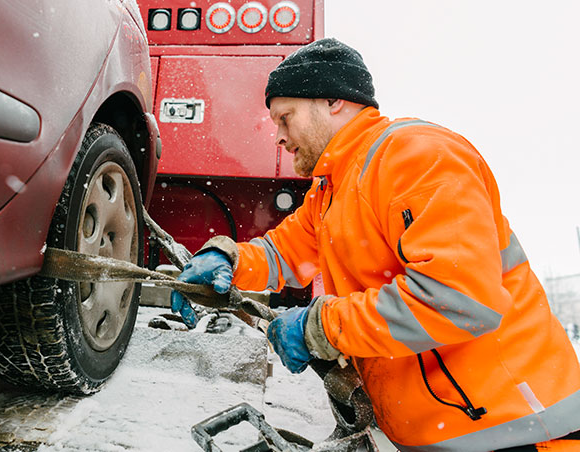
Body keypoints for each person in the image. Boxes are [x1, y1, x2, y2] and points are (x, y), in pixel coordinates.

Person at [170, 38, 580, 451]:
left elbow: (458, 298)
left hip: (523, 430)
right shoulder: (334, 189)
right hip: (453, 432)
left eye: (285, 117)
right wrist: (227, 256)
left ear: (332, 101)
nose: (278, 136)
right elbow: (284, 251)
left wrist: (322, 327)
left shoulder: (417, 157)